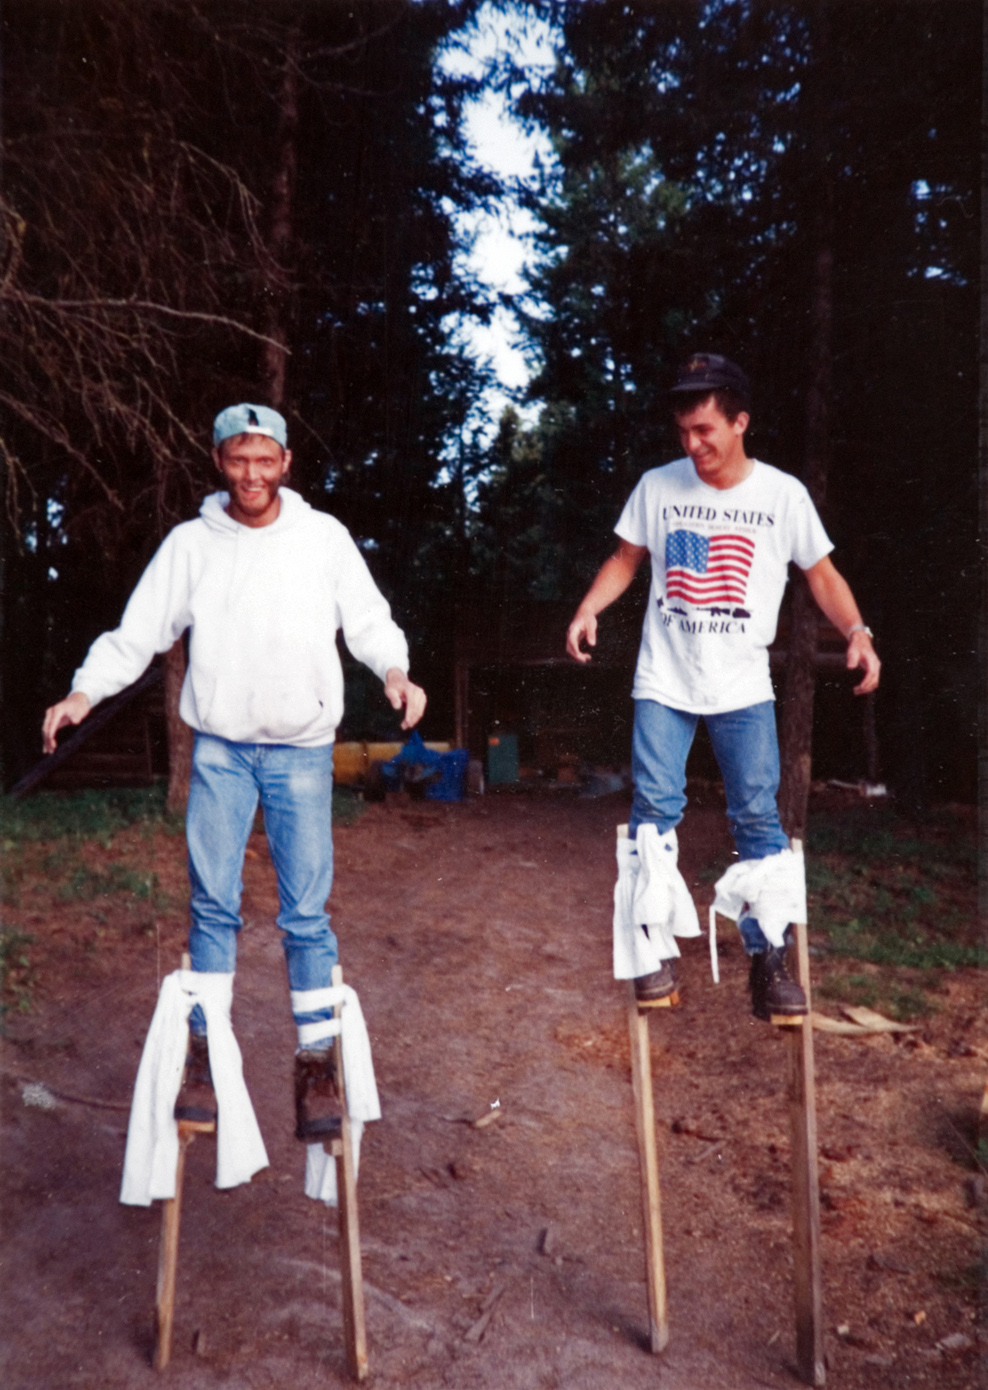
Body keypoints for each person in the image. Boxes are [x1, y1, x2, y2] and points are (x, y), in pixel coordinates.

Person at [42, 403, 426, 1134]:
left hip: (302, 751)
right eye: (238, 459)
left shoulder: (323, 539)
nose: (253, 474)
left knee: (305, 916)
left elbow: (369, 622)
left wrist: (397, 674)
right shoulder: (192, 545)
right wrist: (83, 692)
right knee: (212, 905)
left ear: (285, 462)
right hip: (220, 750)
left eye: (265, 459)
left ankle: (316, 1067)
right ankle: (204, 1058)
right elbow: (137, 632)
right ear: (219, 462)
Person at [566, 353, 880, 1019]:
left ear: (741, 422)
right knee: (653, 812)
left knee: (758, 818)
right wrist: (590, 608)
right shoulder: (659, 487)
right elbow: (626, 560)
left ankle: (769, 965)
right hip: (665, 678)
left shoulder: (781, 496)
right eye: (684, 432)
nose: (693, 445)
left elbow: (822, 575)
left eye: (706, 430)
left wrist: (857, 631)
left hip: (741, 685)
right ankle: (653, 951)